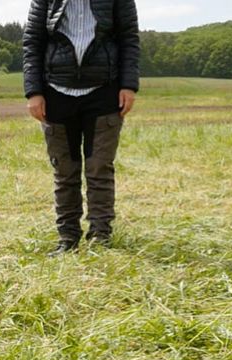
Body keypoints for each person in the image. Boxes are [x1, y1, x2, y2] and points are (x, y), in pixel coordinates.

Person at [23, 0, 140, 255]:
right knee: (64, 171)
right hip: (56, 92)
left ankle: (100, 237)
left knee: (99, 168)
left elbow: (129, 38)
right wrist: (33, 91)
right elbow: (32, 41)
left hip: (104, 91)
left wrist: (129, 85)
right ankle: (68, 238)